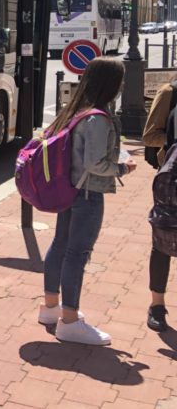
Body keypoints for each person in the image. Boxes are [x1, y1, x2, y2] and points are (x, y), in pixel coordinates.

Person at [39, 57, 136, 345]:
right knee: (77, 254)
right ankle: (69, 321)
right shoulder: (98, 118)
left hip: (69, 189)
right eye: (119, 81)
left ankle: (50, 307)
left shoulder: (76, 111)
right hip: (88, 193)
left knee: (60, 245)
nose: (121, 87)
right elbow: (95, 163)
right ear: (110, 84)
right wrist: (121, 168)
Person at [142, 78, 177, 331]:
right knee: (163, 242)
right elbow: (150, 136)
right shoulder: (170, 92)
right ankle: (157, 305)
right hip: (172, 180)